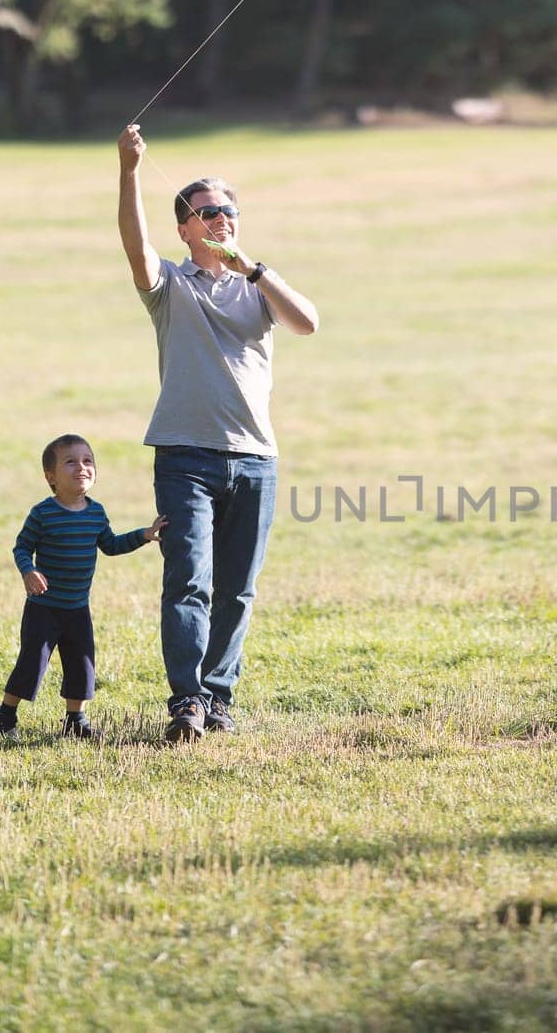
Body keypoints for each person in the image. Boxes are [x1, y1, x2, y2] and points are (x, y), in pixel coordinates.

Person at [117, 124, 320, 743]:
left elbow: (308, 323)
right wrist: (129, 170)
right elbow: (133, 244)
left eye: (227, 212)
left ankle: (220, 698)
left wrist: (254, 270)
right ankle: (187, 702)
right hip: (185, 457)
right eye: (206, 213)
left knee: (237, 591)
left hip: (257, 459)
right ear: (184, 228)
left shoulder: (259, 289)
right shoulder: (170, 288)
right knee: (190, 581)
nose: (219, 221)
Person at [0, 434, 167, 740]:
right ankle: (4, 717)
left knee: (82, 664)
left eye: (87, 461)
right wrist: (28, 571)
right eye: (70, 462)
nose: (81, 467)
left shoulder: (96, 513)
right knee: (32, 663)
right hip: (44, 607)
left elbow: (110, 545)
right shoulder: (43, 513)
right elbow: (21, 548)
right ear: (51, 477)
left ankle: (75, 721)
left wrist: (143, 535)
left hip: (78, 608)